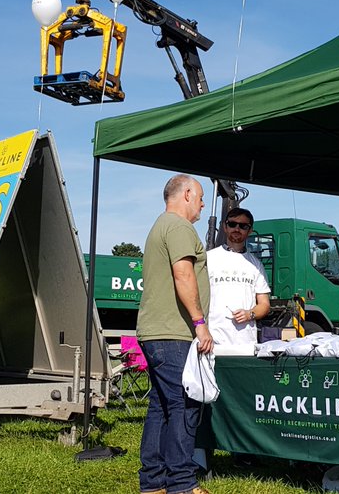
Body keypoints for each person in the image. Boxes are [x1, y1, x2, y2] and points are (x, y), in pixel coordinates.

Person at [137, 174, 213, 494]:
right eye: (199, 197)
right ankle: (182, 484)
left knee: (161, 407)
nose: (202, 203)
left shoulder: (160, 225)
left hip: (155, 332)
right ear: (185, 195)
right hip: (174, 332)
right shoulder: (180, 227)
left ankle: (153, 482)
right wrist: (199, 322)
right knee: (185, 405)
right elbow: (183, 275)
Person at [206, 207, 271, 351]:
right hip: (213, 341)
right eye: (232, 224)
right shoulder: (209, 258)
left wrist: (249, 314)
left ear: (250, 230)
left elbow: (264, 304)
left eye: (243, 226)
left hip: (245, 343)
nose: (237, 228)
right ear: (224, 226)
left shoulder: (256, 265)